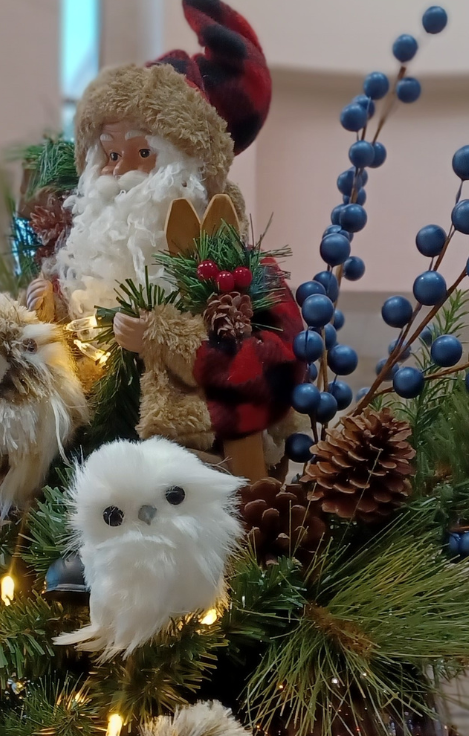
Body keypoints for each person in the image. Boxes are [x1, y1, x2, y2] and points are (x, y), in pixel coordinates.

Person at [26, 0, 303, 466]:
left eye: (143, 154)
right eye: (111, 157)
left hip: (197, 485)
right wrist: (49, 316)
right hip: (80, 489)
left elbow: (279, 369)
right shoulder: (76, 267)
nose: (123, 174)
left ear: (189, 167)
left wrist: (171, 341)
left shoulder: (239, 271)